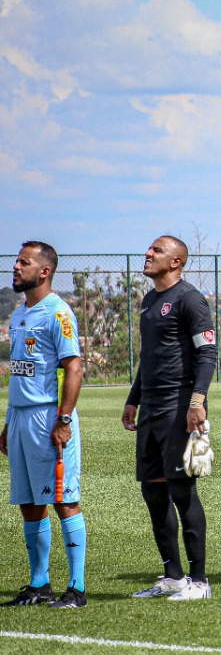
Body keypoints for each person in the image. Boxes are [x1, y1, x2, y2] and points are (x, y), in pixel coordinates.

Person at [126, 236, 218, 601]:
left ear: (177, 261)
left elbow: (208, 354)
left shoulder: (189, 299)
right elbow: (149, 357)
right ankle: (173, 577)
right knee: (153, 491)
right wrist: (134, 399)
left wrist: (197, 401)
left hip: (179, 406)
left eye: (157, 251)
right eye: (148, 249)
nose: (148, 254)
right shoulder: (150, 299)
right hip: (150, 408)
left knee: (182, 490)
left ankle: (199, 582)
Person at [1, 241, 87, 608]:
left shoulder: (58, 313)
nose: (15, 267)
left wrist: (64, 419)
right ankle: (40, 585)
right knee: (28, 502)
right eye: (17, 261)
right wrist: (7, 423)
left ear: (45, 271)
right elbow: (20, 375)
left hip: (48, 418)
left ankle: (77, 589)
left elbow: (75, 367)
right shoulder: (18, 315)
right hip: (20, 418)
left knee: (64, 499)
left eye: (24, 262)